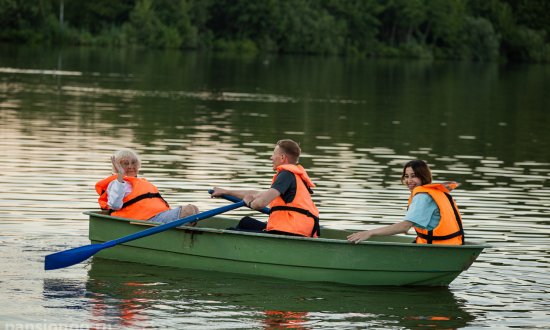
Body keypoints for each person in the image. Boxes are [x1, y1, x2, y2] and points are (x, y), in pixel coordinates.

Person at [211, 139, 320, 237]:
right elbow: (257, 194)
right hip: (297, 230)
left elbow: (260, 203)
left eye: (274, 154)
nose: (271, 157)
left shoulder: (286, 174)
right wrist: (225, 192)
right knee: (246, 222)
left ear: (282, 157)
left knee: (231, 232)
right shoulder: (295, 176)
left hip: (290, 232)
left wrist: (249, 203)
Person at [347, 160, 464, 245]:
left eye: (414, 176)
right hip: (452, 244)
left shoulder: (423, 196)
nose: (409, 180)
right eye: (406, 176)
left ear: (423, 176)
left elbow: (404, 227)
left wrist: (369, 233)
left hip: (436, 248)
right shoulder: (437, 192)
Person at [95, 149, 199, 224]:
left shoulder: (142, 182)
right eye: (125, 164)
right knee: (189, 210)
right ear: (117, 167)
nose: (131, 166)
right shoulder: (117, 183)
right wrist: (121, 175)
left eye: (133, 162)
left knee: (194, 209)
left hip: (157, 216)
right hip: (143, 220)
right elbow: (114, 205)